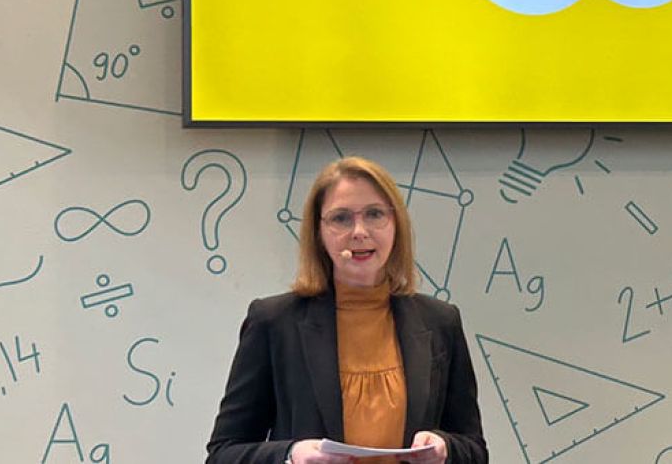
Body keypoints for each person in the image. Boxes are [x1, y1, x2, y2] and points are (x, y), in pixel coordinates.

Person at [206, 156, 487, 464]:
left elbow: (475, 449)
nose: (359, 231)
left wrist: (446, 449)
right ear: (318, 232)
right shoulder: (273, 322)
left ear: (396, 224)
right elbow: (223, 453)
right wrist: (290, 455)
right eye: (341, 218)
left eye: (375, 214)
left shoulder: (441, 321)